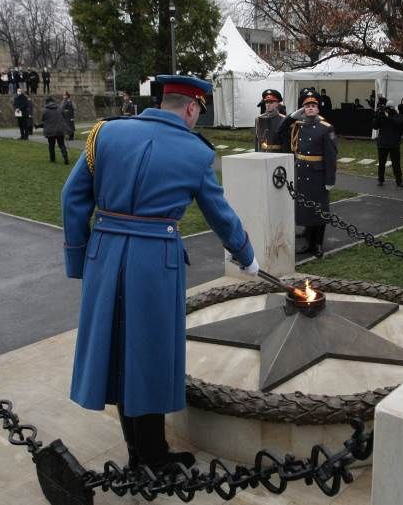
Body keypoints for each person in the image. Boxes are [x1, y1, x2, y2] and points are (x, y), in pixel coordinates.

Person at [61, 75, 257, 471]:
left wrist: (80, 260)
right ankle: (152, 457)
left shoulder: (105, 133)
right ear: (191, 107)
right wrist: (246, 256)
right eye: (198, 111)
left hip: (104, 252)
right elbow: (220, 215)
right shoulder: (196, 152)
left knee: (117, 353)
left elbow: (73, 197)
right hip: (155, 261)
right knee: (146, 358)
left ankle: (140, 452)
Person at [278, 88, 338, 258]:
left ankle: (317, 244)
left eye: (313, 105)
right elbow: (280, 132)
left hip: (318, 175)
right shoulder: (299, 125)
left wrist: (330, 179)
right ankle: (309, 243)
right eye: (307, 105)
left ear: (318, 108)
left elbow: (331, 156)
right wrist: (292, 116)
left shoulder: (326, 128)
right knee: (306, 210)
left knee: (319, 210)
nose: (310, 108)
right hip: (302, 173)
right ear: (303, 108)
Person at [373, 97, 403, 187]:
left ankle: (399, 180)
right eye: (387, 108)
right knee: (381, 163)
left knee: (396, 164)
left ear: (393, 108)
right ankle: (380, 179)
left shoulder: (398, 116)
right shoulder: (382, 115)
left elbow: (397, 123)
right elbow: (375, 126)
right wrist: (377, 115)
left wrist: (388, 116)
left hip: (394, 144)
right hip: (383, 143)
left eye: (390, 108)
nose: (388, 110)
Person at [39, 96, 69, 164]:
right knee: (62, 144)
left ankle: (52, 159)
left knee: (51, 145)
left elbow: (43, 119)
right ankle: (65, 157)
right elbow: (64, 117)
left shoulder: (45, 110)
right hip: (59, 129)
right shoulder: (60, 108)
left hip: (50, 130)